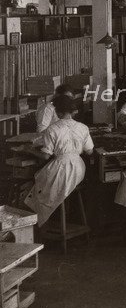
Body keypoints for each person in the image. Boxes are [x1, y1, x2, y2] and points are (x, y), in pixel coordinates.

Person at [24, 95, 94, 226]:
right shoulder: (83, 127)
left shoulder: (52, 129)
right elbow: (89, 151)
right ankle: (56, 219)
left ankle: (41, 224)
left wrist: (29, 150)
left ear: (58, 112)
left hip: (62, 166)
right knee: (51, 185)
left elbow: (46, 156)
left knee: (38, 185)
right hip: (79, 168)